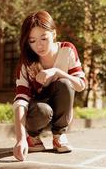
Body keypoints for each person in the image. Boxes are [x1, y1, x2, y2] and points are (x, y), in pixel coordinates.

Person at [13, 10, 86, 161]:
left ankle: (58, 136)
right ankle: (32, 138)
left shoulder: (67, 50)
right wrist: (20, 138)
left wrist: (57, 72)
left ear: (53, 33)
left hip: (61, 105)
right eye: (32, 41)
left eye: (44, 38)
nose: (39, 45)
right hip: (37, 112)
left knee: (65, 83)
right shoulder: (26, 62)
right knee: (42, 109)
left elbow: (80, 85)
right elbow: (21, 100)